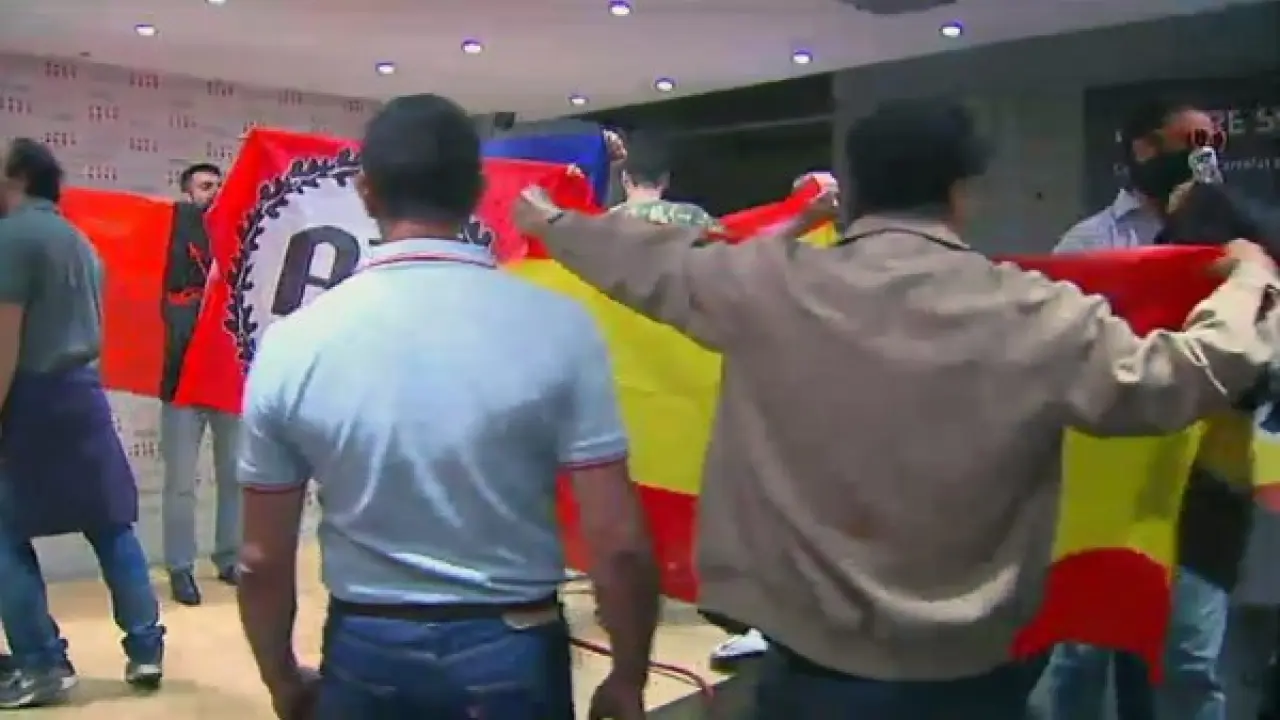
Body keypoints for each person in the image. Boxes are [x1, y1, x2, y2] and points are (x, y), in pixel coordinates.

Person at [513, 98, 1280, 719]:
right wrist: (1249, 279)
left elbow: (631, 259)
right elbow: (1182, 378)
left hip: (806, 668)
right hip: (973, 675)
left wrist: (545, 220)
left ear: (861, 188)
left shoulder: (766, 285)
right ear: (962, 192)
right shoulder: (1032, 311)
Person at [234, 94, 659, 720]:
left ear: (366, 191)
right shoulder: (561, 328)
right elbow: (618, 544)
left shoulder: (292, 343)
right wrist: (627, 677)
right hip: (514, 648)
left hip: (365, 649)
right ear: (477, 192)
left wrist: (281, 679)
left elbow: (260, 560)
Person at [1046, 99, 1274, 720]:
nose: (1205, 156)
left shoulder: (1241, 239)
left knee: (1190, 659)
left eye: (1214, 143)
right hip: (1110, 479)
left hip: (1206, 480)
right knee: (1081, 654)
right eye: (1192, 142)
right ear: (1145, 149)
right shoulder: (1089, 243)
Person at [0, 138, 165, 708]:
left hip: (30, 399)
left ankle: (41, 664)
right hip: (83, 394)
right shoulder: (80, 241)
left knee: (3, 534)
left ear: (18, 177)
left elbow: (5, 341)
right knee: (111, 524)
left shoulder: (12, 238)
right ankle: (146, 649)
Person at [161, 162, 242, 606]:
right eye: (205, 186)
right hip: (181, 380)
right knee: (180, 481)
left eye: (218, 186)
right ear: (188, 192)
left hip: (227, 376)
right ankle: (180, 567)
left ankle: (229, 557)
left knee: (234, 474)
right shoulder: (171, 233)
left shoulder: (238, 234)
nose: (214, 193)